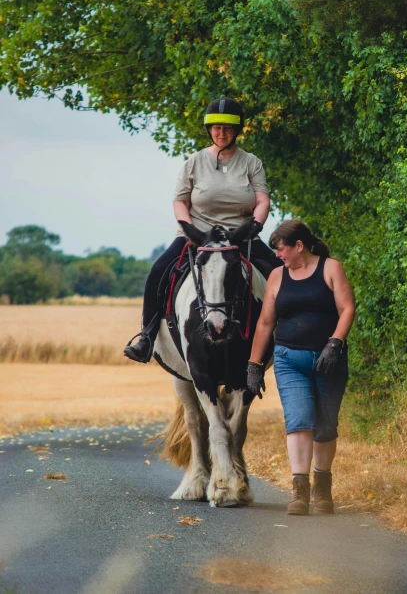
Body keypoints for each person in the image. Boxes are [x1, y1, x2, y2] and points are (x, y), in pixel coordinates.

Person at [124, 97, 281, 363]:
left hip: (240, 235)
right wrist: (186, 228)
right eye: (216, 128)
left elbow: (262, 200)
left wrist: (255, 225)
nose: (221, 133)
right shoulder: (193, 162)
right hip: (197, 235)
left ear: (238, 130)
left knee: (281, 273)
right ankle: (147, 336)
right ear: (209, 130)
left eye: (227, 128)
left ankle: (292, 338)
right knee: (157, 272)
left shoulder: (251, 163)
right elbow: (180, 201)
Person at [246, 220, 355, 516]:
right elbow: (266, 322)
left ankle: (323, 486)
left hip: (327, 360)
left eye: (281, 250)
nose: (278, 256)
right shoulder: (277, 276)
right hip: (288, 358)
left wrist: (335, 344)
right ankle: (300, 490)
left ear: (299, 246)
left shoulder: (330, 268)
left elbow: (347, 308)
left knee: (326, 426)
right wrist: (254, 365)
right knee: (298, 420)